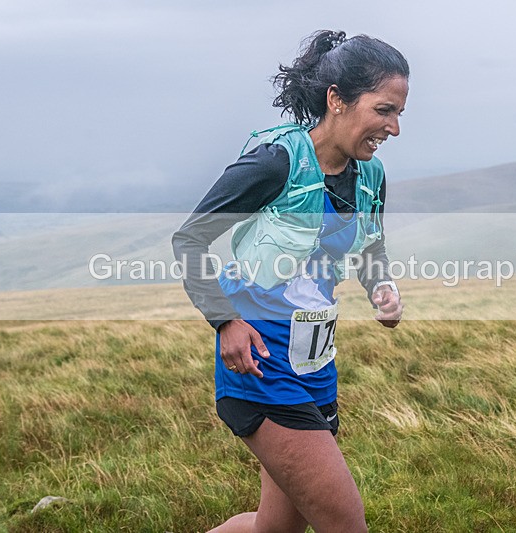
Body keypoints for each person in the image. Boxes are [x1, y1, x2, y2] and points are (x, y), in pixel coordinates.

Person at [172, 29, 408, 532]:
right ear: (337, 100)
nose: (394, 127)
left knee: (272, 530)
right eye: (384, 110)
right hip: (260, 367)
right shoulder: (277, 161)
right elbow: (189, 240)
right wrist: (226, 322)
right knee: (346, 524)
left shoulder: (371, 176)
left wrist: (381, 288)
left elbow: (371, 247)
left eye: (399, 114)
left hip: (316, 366)